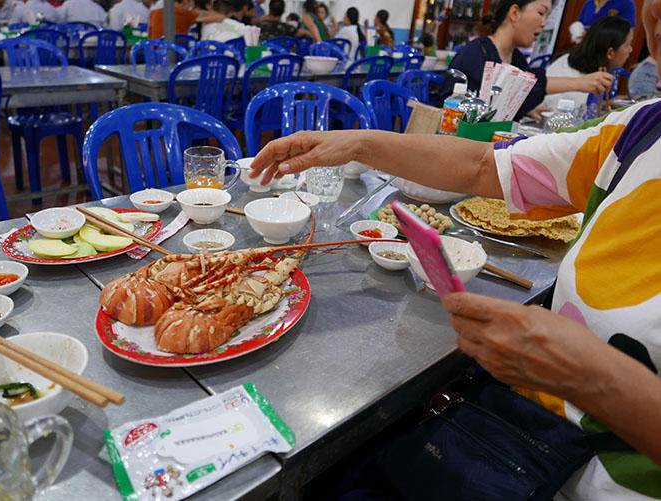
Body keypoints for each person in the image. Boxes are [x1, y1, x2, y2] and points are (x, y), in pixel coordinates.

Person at [247, 2, 661, 498]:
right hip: (525, 443)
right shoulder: (640, 130)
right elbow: (485, 165)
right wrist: (357, 143)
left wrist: (595, 379)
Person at [441, 0, 614, 119]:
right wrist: (579, 83)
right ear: (515, 13)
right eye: (541, 13)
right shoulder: (478, 52)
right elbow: (511, 89)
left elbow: (510, 102)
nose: (544, 23)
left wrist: (526, 110)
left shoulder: (516, 58)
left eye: (547, 16)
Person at [541, 15, 633, 110]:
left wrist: (606, 104)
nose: (630, 50)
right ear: (610, 52)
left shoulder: (586, 64)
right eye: (628, 45)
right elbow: (568, 115)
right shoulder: (572, 76)